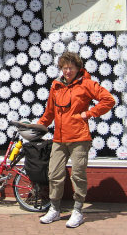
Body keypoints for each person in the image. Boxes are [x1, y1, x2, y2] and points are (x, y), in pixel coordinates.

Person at [37, 51, 115, 228]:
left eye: (71, 68)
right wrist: (38, 127)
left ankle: (78, 210)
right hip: (59, 138)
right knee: (54, 174)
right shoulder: (56, 86)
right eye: (64, 68)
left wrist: (89, 113)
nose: (67, 71)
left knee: (78, 175)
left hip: (79, 137)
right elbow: (49, 113)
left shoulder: (86, 84)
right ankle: (55, 209)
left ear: (78, 68)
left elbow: (108, 100)